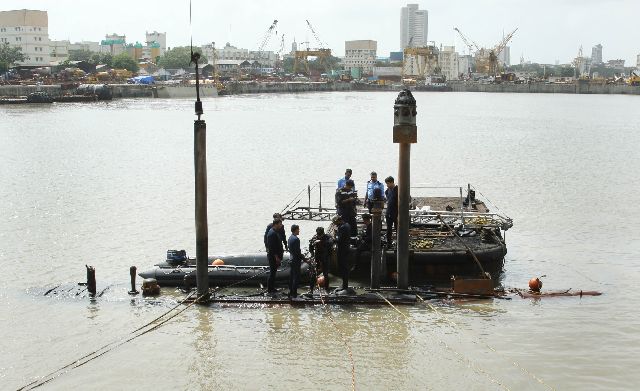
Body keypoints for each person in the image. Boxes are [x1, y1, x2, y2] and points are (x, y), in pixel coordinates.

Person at [309, 226, 333, 292]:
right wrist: (312, 254)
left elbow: (331, 243)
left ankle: (327, 289)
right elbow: (310, 247)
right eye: (318, 235)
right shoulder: (314, 237)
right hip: (317, 256)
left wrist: (322, 242)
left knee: (326, 273)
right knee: (313, 273)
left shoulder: (327, 237)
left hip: (326, 256)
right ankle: (311, 289)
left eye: (320, 235)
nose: (319, 236)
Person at [266, 219, 285, 293]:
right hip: (273, 257)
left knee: (274, 272)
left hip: (276, 256)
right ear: (276, 224)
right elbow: (271, 248)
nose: (281, 225)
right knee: (272, 273)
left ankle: (272, 288)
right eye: (280, 224)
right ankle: (270, 289)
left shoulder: (276, 232)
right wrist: (276, 257)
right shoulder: (272, 233)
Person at [333, 215, 351, 291]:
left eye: (335, 222)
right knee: (345, 267)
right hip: (346, 248)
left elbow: (339, 240)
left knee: (343, 267)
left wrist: (334, 237)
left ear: (338, 221)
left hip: (342, 249)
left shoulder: (342, 227)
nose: (335, 224)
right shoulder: (347, 225)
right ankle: (344, 284)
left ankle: (344, 285)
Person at [287, 224, 304, 298]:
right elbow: (298, 252)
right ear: (295, 230)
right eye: (298, 229)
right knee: (296, 278)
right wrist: (305, 259)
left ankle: (291, 292)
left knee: (291, 277)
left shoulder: (290, 238)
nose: (299, 231)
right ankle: (294, 294)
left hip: (291, 259)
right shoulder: (296, 239)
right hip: (296, 260)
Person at [384, 176, 399, 248]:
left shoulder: (398, 190)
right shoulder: (387, 191)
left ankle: (399, 243)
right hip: (389, 212)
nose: (387, 185)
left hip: (396, 213)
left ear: (392, 182)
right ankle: (389, 243)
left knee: (397, 228)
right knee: (389, 229)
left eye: (388, 183)